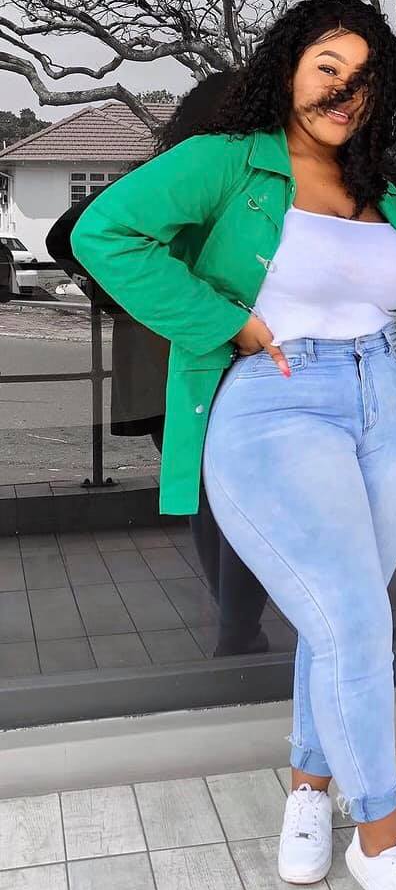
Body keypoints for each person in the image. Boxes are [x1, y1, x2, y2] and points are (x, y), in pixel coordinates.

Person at [69, 0, 396, 890]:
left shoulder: (379, 191)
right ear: (287, 69)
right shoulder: (225, 162)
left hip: (385, 409)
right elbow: (101, 235)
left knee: (337, 621)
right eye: (327, 69)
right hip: (279, 402)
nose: (344, 93)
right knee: (356, 622)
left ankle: (309, 790)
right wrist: (224, 321)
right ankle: (383, 842)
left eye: (364, 80)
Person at [46, 71, 271, 658]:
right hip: (192, 363)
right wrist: (125, 297)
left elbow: (67, 236)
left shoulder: (189, 176)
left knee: (210, 497)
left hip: (170, 363)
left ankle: (237, 622)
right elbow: (72, 235)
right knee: (231, 499)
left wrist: (126, 298)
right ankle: (238, 628)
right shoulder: (204, 177)